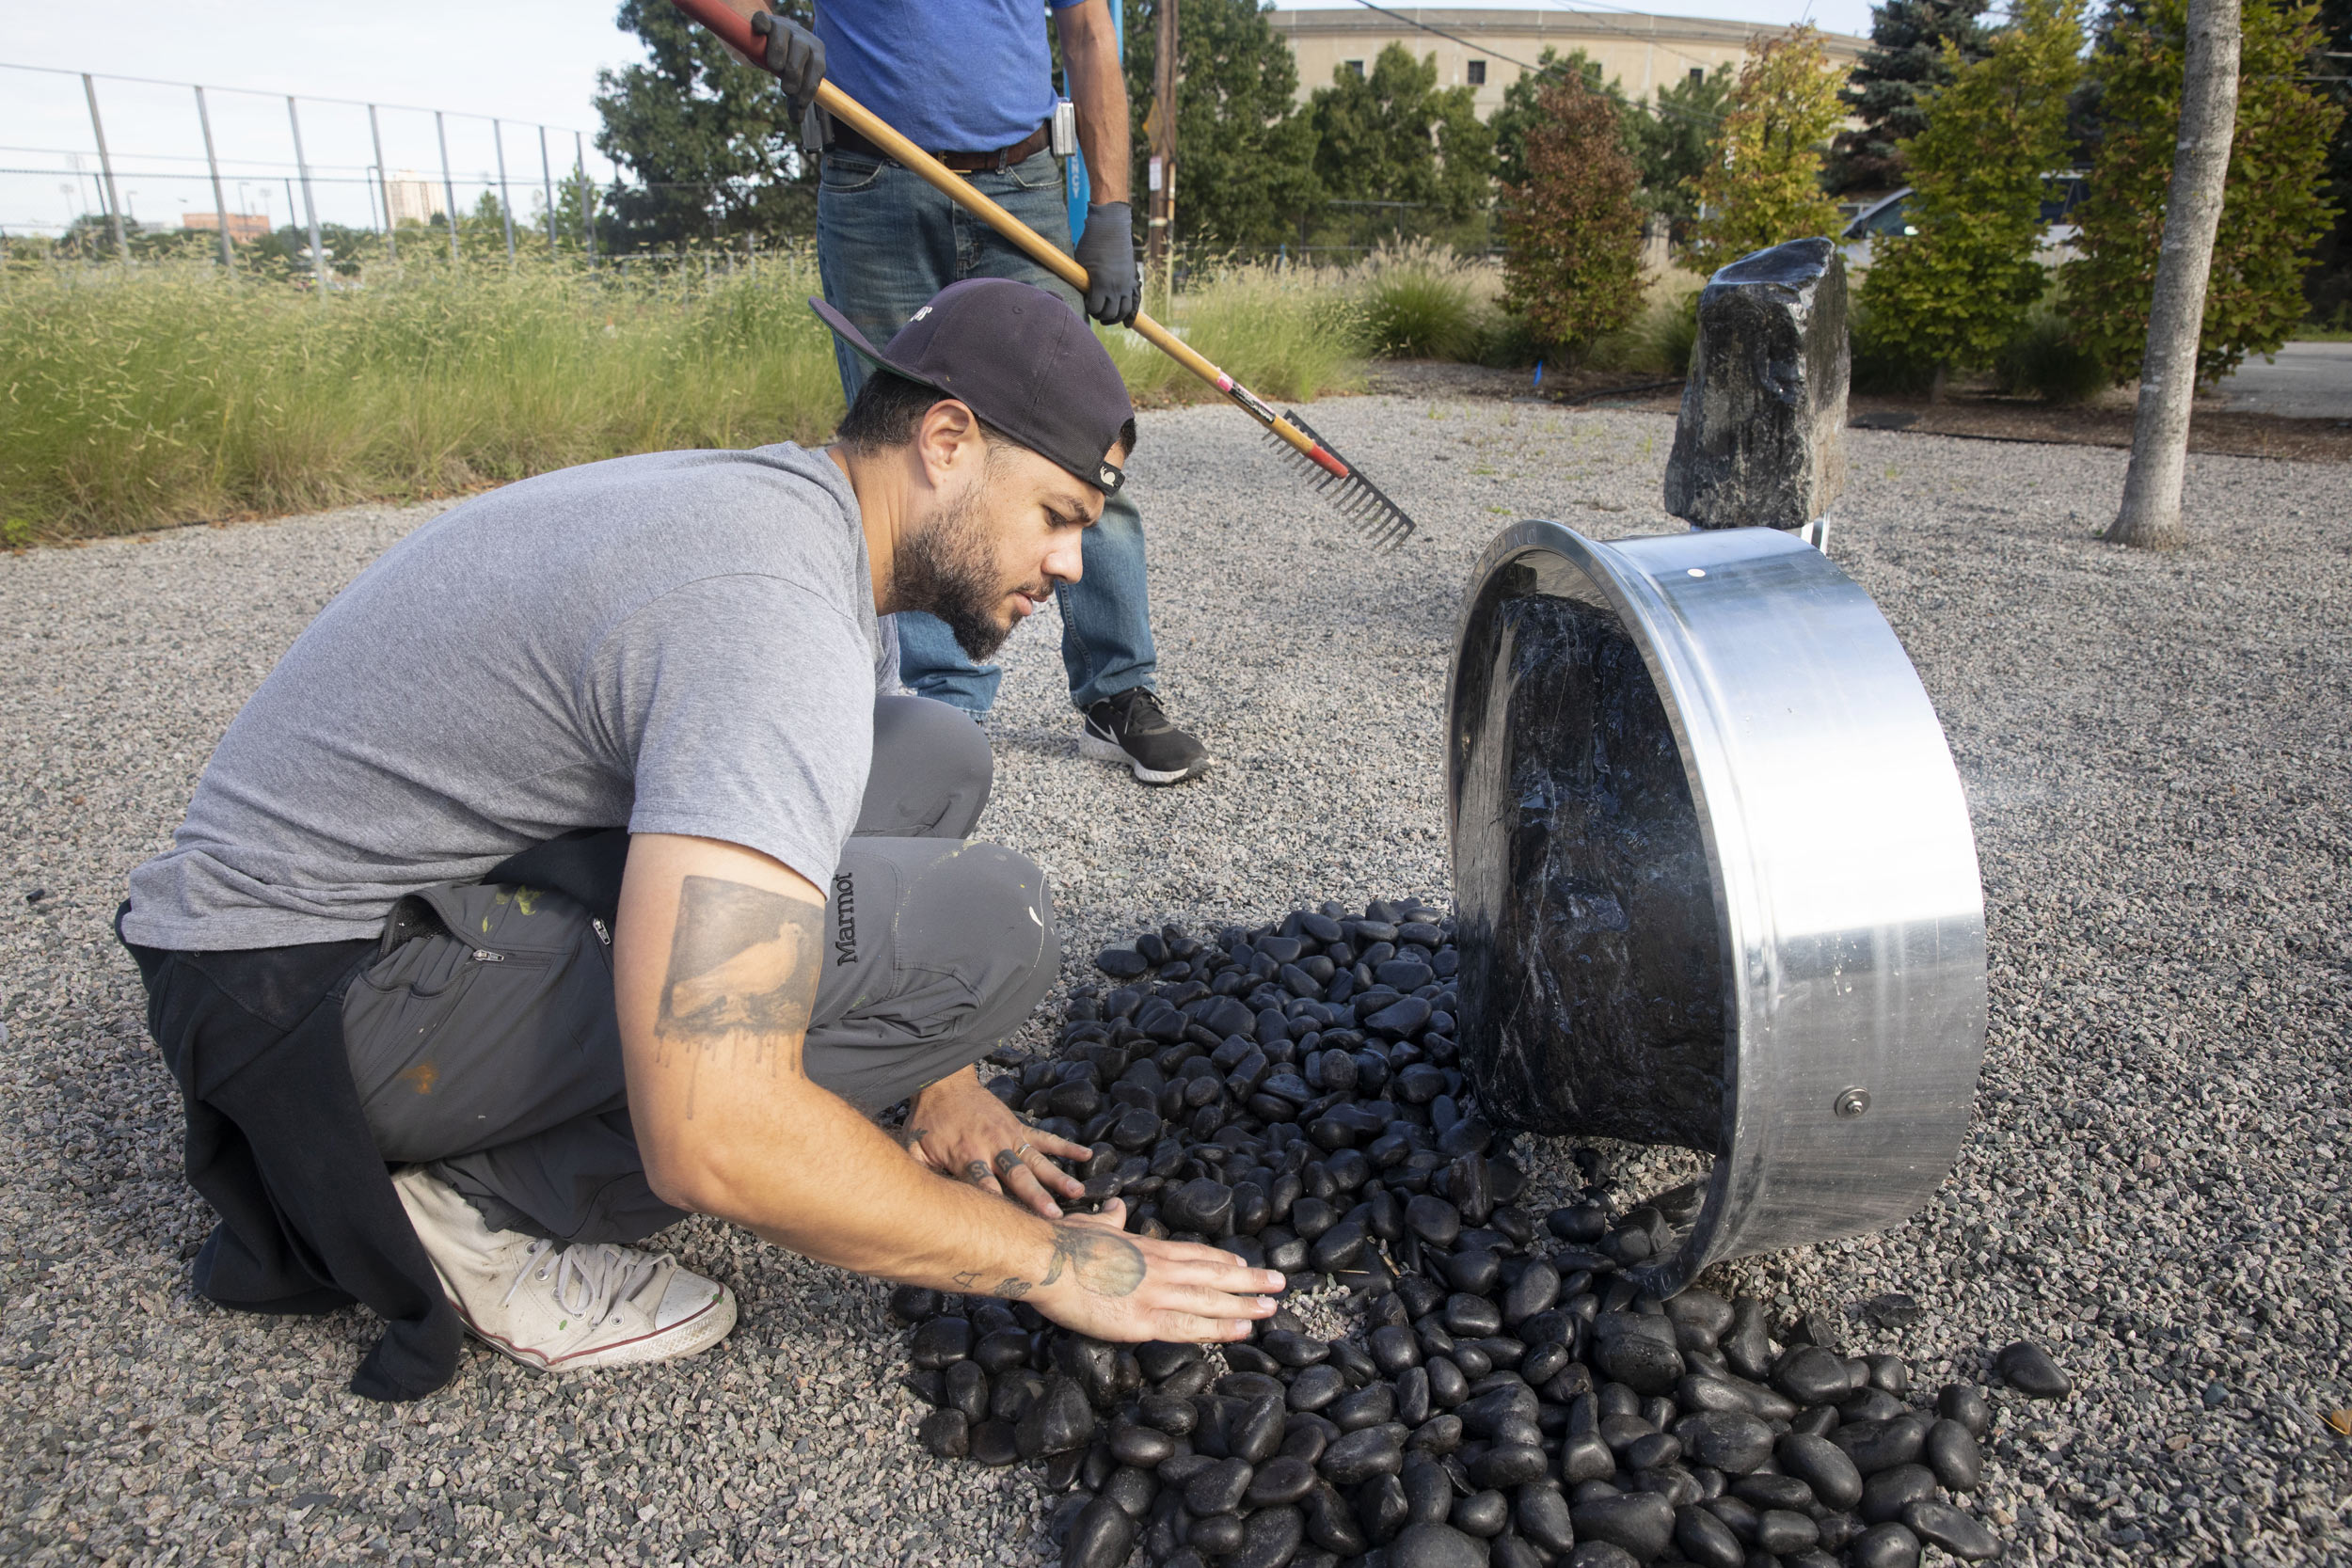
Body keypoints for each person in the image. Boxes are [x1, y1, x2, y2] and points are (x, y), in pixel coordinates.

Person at [117, 279, 1280, 1400]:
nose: (1072, 565)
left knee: (932, 754)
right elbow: (712, 1130)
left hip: (360, 922)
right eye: (1057, 516)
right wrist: (1054, 1262)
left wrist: (941, 1081)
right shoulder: (766, 616)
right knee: (989, 925)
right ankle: (473, 1208)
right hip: (301, 1002)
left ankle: (495, 1133)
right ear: (946, 438)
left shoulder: (800, 513)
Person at [737, 0, 1213, 786]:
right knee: (905, 455)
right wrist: (755, 22)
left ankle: (1117, 690)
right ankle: (943, 705)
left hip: (1021, 185)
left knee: (1080, 446)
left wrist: (1112, 207)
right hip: (871, 182)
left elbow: (1091, 32)